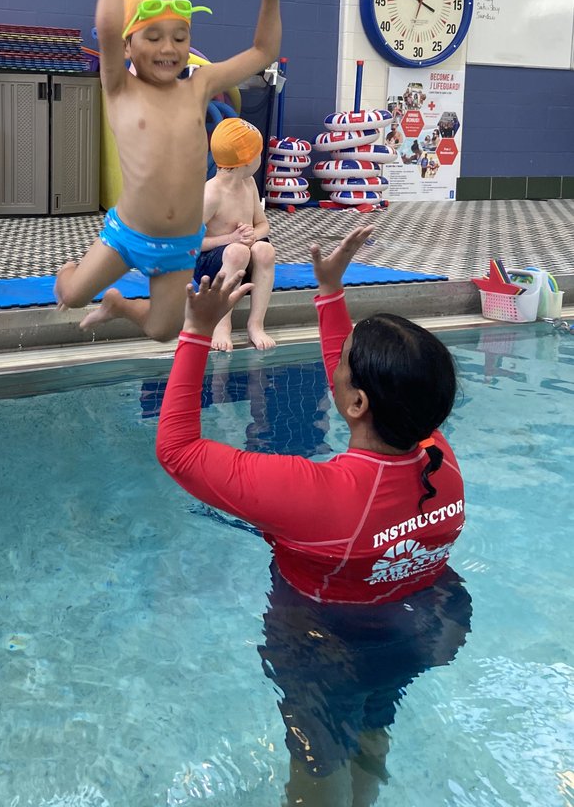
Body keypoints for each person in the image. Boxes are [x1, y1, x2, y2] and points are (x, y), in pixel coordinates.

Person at [156, 226, 470, 806]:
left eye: (347, 362)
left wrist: (197, 332)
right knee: (373, 735)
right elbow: (354, 391)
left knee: (317, 763)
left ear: (357, 404)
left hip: (325, 648)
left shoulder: (316, 496)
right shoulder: (437, 457)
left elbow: (177, 451)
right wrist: (329, 294)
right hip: (413, 631)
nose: (338, 364)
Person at [55, 0, 300, 341]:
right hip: (128, 232)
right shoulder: (119, 87)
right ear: (128, 46)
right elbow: (108, 27)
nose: (169, 47)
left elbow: (262, 53)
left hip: (179, 245)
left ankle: (118, 304)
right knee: (71, 295)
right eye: (153, 36)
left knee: (162, 330)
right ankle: (71, 273)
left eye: (180, 36)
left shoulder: (199, 86)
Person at [192, 117, 276, 352]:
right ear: (246, 161)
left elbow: (263, 225)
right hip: (212, 267)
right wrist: (231, 240)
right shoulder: (212, 194)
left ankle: (256, 324)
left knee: (265, 249)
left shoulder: (248, 184)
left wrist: (253, 235)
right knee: (238, 251)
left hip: (243, 259)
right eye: (258, 153)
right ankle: (221, 325)